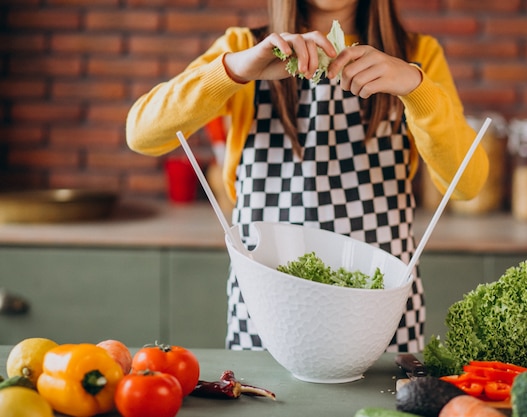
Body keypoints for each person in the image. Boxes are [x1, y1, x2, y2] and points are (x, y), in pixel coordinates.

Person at [126, 0, 489, 353]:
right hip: (269, 306)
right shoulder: (242, 47)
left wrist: (416, 87)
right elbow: (142, 133)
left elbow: (466, 184)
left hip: (377, 311)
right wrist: (236, 70)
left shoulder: (417, 53)